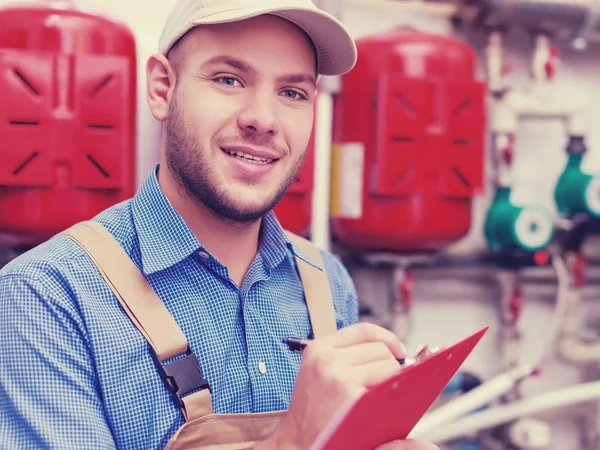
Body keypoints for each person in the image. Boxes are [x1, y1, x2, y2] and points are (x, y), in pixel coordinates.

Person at [0, 0, 439, 449]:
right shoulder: (45, 298)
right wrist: (288, 442)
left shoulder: (326, 282)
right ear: (161, 88)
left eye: (292, 93)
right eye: (229, 79)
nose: (263, 120)